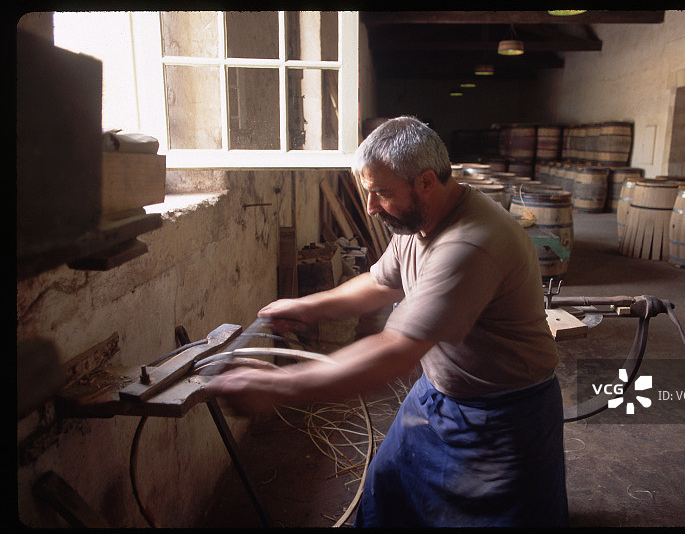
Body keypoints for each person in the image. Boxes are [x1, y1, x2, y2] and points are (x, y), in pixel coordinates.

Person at [205, 116, 569, 527]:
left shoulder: (468, 244)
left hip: (502, 416)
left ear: (426, 182)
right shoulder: (419, 220)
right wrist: (307, 307)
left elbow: (395, 351)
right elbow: (380, 283)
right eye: (367, 192)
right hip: (438, 394)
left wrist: (277, 387)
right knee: (388, 491)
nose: (371, 208)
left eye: (381, 193)